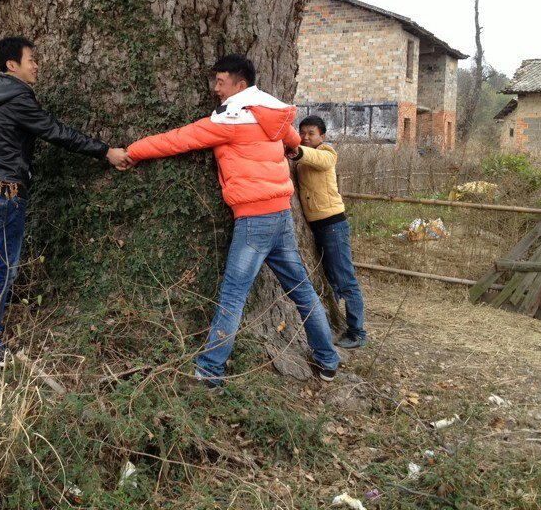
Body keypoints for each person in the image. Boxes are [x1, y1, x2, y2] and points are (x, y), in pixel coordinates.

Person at [124, 55, 341, 385]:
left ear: (240, 85)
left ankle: (210, 370)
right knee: (302, 290)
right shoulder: (270, 113)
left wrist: (132, 151)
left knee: (232, 297)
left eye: (220, 82)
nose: (215, 89)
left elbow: (176, 139)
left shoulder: (230, 120)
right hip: (281, 215)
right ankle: (327, 360)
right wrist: (293, 148)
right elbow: (292, 141)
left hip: (254, 220)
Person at [0, 36, 130, 368]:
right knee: (1, 271)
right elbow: (55, 131)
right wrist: (105, 151)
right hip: (6, 192)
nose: (37, 64)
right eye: (31, 59)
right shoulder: (17, 97)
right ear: (12, 65)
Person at [295, 115, 367, 349]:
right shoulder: (300, 157)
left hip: (332, 223)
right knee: (329, 280)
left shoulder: (326, 153)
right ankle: (330, 323)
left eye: (311, 133)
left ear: (322, 136)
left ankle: (357, 332)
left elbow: (319, 159)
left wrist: (296, 149)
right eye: (302, 133)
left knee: (345, 279)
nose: (305, 137)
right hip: (314, 225)